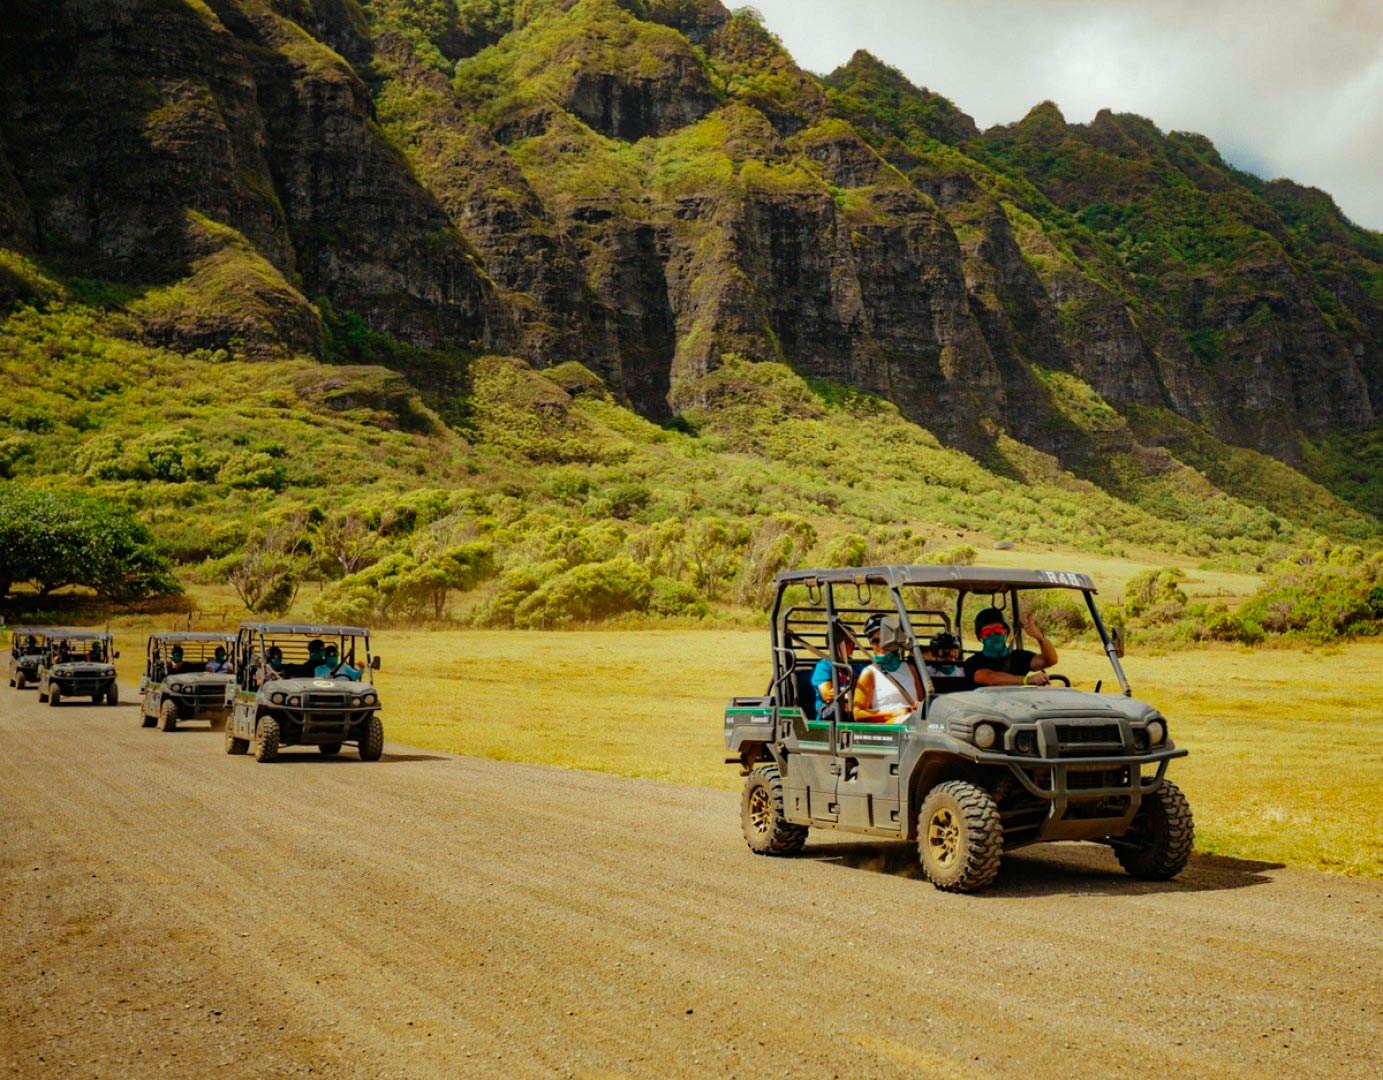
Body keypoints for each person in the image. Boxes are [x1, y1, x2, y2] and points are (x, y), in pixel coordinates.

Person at [963, 607, 1058, 688]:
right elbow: (990, 678)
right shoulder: (973, 662)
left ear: (1005, 632)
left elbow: (1050, 660)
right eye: (987, 633)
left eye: (997, 630)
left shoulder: (1019, 656)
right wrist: (1027, 680)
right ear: (981, 636)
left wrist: (1040, 637)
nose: (993, 635)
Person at [852, 613, 922, 723]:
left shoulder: (909, 667)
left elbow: (921, 701)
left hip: (913, 724)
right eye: (875, 641)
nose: (881, 645)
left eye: (885, 639)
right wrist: (893, 713)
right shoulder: (869, 673)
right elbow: (858, 713)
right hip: (888, 729)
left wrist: (919, 706)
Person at [810, 622, 856, 720]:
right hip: (828, 711)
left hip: (853, 705)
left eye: (850, 641)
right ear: (830, 645)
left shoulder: (856, 665)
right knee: (840, 703)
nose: (847, 645)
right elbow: (828, 695)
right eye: (843, 642)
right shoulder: (824, 666)